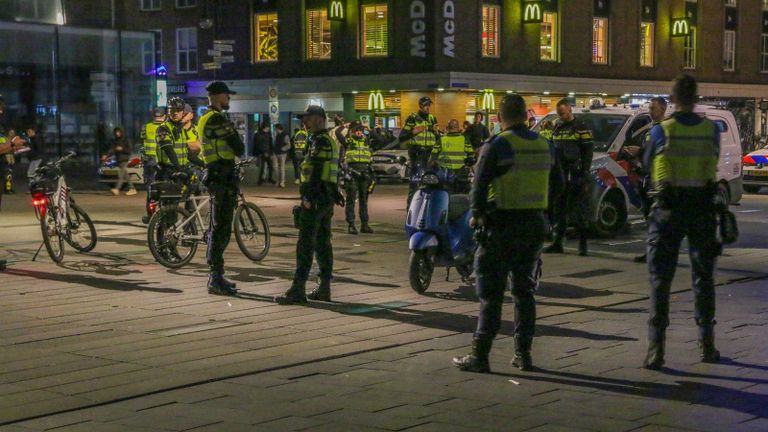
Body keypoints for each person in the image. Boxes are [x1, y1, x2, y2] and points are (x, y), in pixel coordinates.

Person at [453, 94, 552, 373]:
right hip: (533, 225)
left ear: (500, 116)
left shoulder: (497, 145)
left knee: (491, 293)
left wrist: (478, 216)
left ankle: (480, 356)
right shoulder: (545, 145)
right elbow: (557, 185)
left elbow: (478, 188)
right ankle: (523, 354)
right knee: (524, 292)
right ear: (526, 115)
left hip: (501, 225)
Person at [642, 75, 722, 370]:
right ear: (696, 97)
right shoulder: (710, 130)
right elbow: (712, 161)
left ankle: (656, 349)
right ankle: (707, 344)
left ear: (672, 99)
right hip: (702, 208)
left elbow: (648, 163)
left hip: (668, 210)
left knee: (661, 280)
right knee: (703, 278)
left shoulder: (662, 131)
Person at [277, 105, 341, 305]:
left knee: (305, 244)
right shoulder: (325, 140)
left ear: (320, 119)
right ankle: (324, 288)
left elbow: (315, 170)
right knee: (322, 243)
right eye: (303, 119)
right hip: (325, 197)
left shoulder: (320, 141)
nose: (304, 122)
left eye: (308, 118)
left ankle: (298, 289)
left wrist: (307, 197)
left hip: (315, 198)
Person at [197, 81, 245, 296]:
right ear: (217, 97)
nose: (229, 99)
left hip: (217, 174)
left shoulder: (204, 118)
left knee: (220, 227)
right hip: (221, 175)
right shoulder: (216, 119)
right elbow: (238, 146)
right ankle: (215, 278)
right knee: (221, 228)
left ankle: (217, 275)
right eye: (227, 96)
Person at [544, 98, 594, 256]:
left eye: (563, 113)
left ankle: (583, 245)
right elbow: (552, 147)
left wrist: (585, 173)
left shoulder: (581, 127)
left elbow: (588, 151)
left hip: (576, 173)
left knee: (579, 210)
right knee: (559, 209)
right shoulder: (558, 127)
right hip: (560, 173)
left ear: (570, 110)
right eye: (559, 114)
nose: (561, 116)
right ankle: (557, 242)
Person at [634, 97, 668, 263]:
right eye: (650, 108)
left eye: (653, 108)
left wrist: (640, 155)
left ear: (663, 109)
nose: (650, 111)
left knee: (655, 221)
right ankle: (652, 252)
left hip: (657, 181)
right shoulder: (652, 129)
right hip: (649, 179)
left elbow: (653, 156)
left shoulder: (661, 129)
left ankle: (655, 253)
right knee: (650, 219)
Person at [400, 96, 439, 206]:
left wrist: (437, 133)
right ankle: (411, 210)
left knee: (432, 183)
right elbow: (402, 137)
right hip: (417, 154)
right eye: (426, 105)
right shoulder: (412, 118)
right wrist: (413, 132)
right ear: (420, 106)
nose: (428, 107)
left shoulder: (432, 118)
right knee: (415, 184)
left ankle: (427, 209)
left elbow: (438, 138)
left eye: (429, 105)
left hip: (430, 155)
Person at [343, 121, 374, 235]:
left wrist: (369, 128)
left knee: (363, 200)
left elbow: (379, 139)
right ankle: (351, 224)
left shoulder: (366, 141)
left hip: (365, 172)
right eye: (356, 130)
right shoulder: (349, 141)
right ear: (352, 131)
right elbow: (338, 134)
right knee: (351, 199)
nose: (359, 132)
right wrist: (344, 126)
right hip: (352, 172)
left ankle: (364, 225)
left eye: (361, 130)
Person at [430, 119, 474, 193]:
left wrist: (430, 168)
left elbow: (433, 157)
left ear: (447, 128)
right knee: (462, 196)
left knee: (444, 196)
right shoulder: (464, 140)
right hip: (461, 174)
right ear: (458, 128)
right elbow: (471, 156)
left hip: (445, 174)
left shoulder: (441, 140)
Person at [141, 107, 166, 224]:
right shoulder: (166, 127)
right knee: (163, 189)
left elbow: (142, 139)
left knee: (151, 189)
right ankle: (163, 215)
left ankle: (150, 216)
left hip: (149, 161)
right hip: (162, 161)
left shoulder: (146, 127)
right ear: (164, 116)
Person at [154, 97, 188, 181]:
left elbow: (188, 152)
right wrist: (179, 169)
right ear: (168, 112)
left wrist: (203, 164)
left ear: (183, 112)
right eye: (172, 110)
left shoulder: (182, 129)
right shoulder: (163, 128)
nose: (175, 113)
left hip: (180, 171)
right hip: (167, 172)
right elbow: (169, 150)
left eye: (179, 110)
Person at [109, 127, 137, 196]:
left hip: (124, 159)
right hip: (118, 159)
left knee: (121, 174)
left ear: (121, 132)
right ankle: (132, 188)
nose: (117, 133)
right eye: (116, 132)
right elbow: (112, 149)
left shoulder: (125, 140)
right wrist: (107, 155)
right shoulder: (115, 140)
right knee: (125, 175)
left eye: (118, 132)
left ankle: (117, 189)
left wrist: (122, 149)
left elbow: (129, 150)